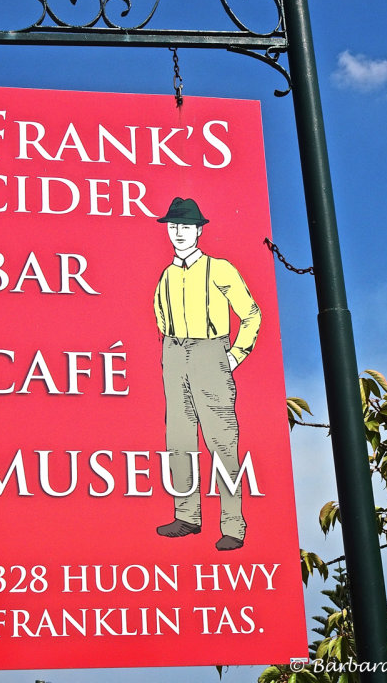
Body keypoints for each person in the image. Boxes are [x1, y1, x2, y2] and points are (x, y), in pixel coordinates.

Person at [153, 197, 261, 551]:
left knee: (221, 443)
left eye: (185, 227)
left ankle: (233, 525)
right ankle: (186, 515)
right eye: (174, 227)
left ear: (199, 230)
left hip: (210, 351)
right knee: (180, 441)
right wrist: (171, 352)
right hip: (174, 353)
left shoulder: (220, 268)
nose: (179, 233)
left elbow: (251, 314)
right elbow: (159, 314)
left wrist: (234, 355)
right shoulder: (167, 274)